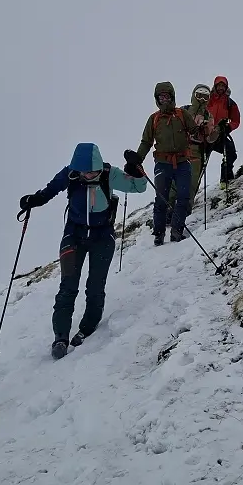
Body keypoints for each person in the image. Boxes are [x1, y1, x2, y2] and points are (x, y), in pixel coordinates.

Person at [19, 142, 147, 360]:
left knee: (95, 287)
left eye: (92, 171)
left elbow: (139, 187)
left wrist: (137, 170)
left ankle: (87, 328)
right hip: (74, 235)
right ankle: (60, 337)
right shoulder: (70, 174)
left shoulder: (109, 174)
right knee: (68, 287)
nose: (88, 175)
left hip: (102, 237)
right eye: (84, 171)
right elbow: (49, 191)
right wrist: (34, 200)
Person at [124, 81, 199, 246]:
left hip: (182, 162)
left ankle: (176, 231)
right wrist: (137, 159)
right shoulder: (154, 119)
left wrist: (200, 132)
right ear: (157, 99)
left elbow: (195, 131)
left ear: (172, 96)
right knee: (161, 198)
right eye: (161, 97)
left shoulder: (182, 115)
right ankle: (158, 234)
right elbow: (146, 142)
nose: (164, 99)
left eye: (167, 96)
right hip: (162, 163)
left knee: (183, 197)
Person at [174, 84, 218, 215]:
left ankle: (184, 213)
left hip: (196, 152)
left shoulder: (208, 116)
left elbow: (209, 139)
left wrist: (214, 134)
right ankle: (167, 213)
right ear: (193, 95)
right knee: (172, 184)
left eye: (205, 97)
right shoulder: (183, 110)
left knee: (191, 185)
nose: (201, 100)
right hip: (179, 150)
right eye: (199, 95)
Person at [206, 75, 241, 189]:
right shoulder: (207, 99)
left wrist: (228, 127)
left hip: (220, 134)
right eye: (219, 85)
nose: (221, 88)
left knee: (231, 153)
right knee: (199, 162)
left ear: (226, 87)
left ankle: (225, 179)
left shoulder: (230, 103)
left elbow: (236, 120)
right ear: (215, 86)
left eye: (223, 86)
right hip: (204, 135)